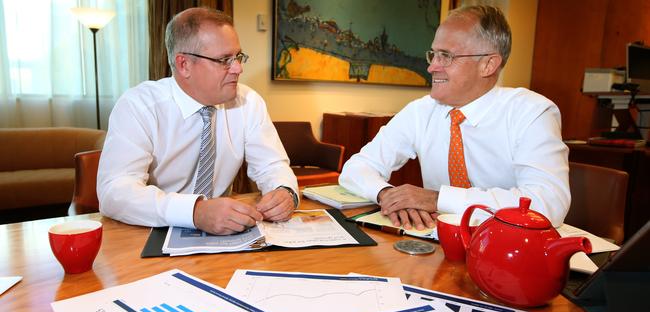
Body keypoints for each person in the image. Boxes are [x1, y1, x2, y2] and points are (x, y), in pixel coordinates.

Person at [339, 5, 570, 229]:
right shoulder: (421, 111)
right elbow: (356, 167)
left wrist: (438, 200)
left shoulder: (532, 112)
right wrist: (388, 195)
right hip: (433, 242)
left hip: (507, 249)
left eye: (446, 56)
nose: (431, 68)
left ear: (488, 64)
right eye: (434, 54)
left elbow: (548, 204)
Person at [97, 8, 298, 235]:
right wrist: (195, 212)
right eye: (225, 60)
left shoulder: (249, 102)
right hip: (150, 231)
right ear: (184, 65)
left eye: (238, 57)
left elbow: (272, 166)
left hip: (226, 232)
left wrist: (285, 191)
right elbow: (115, 192)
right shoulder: (139, 106)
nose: (238, 68)